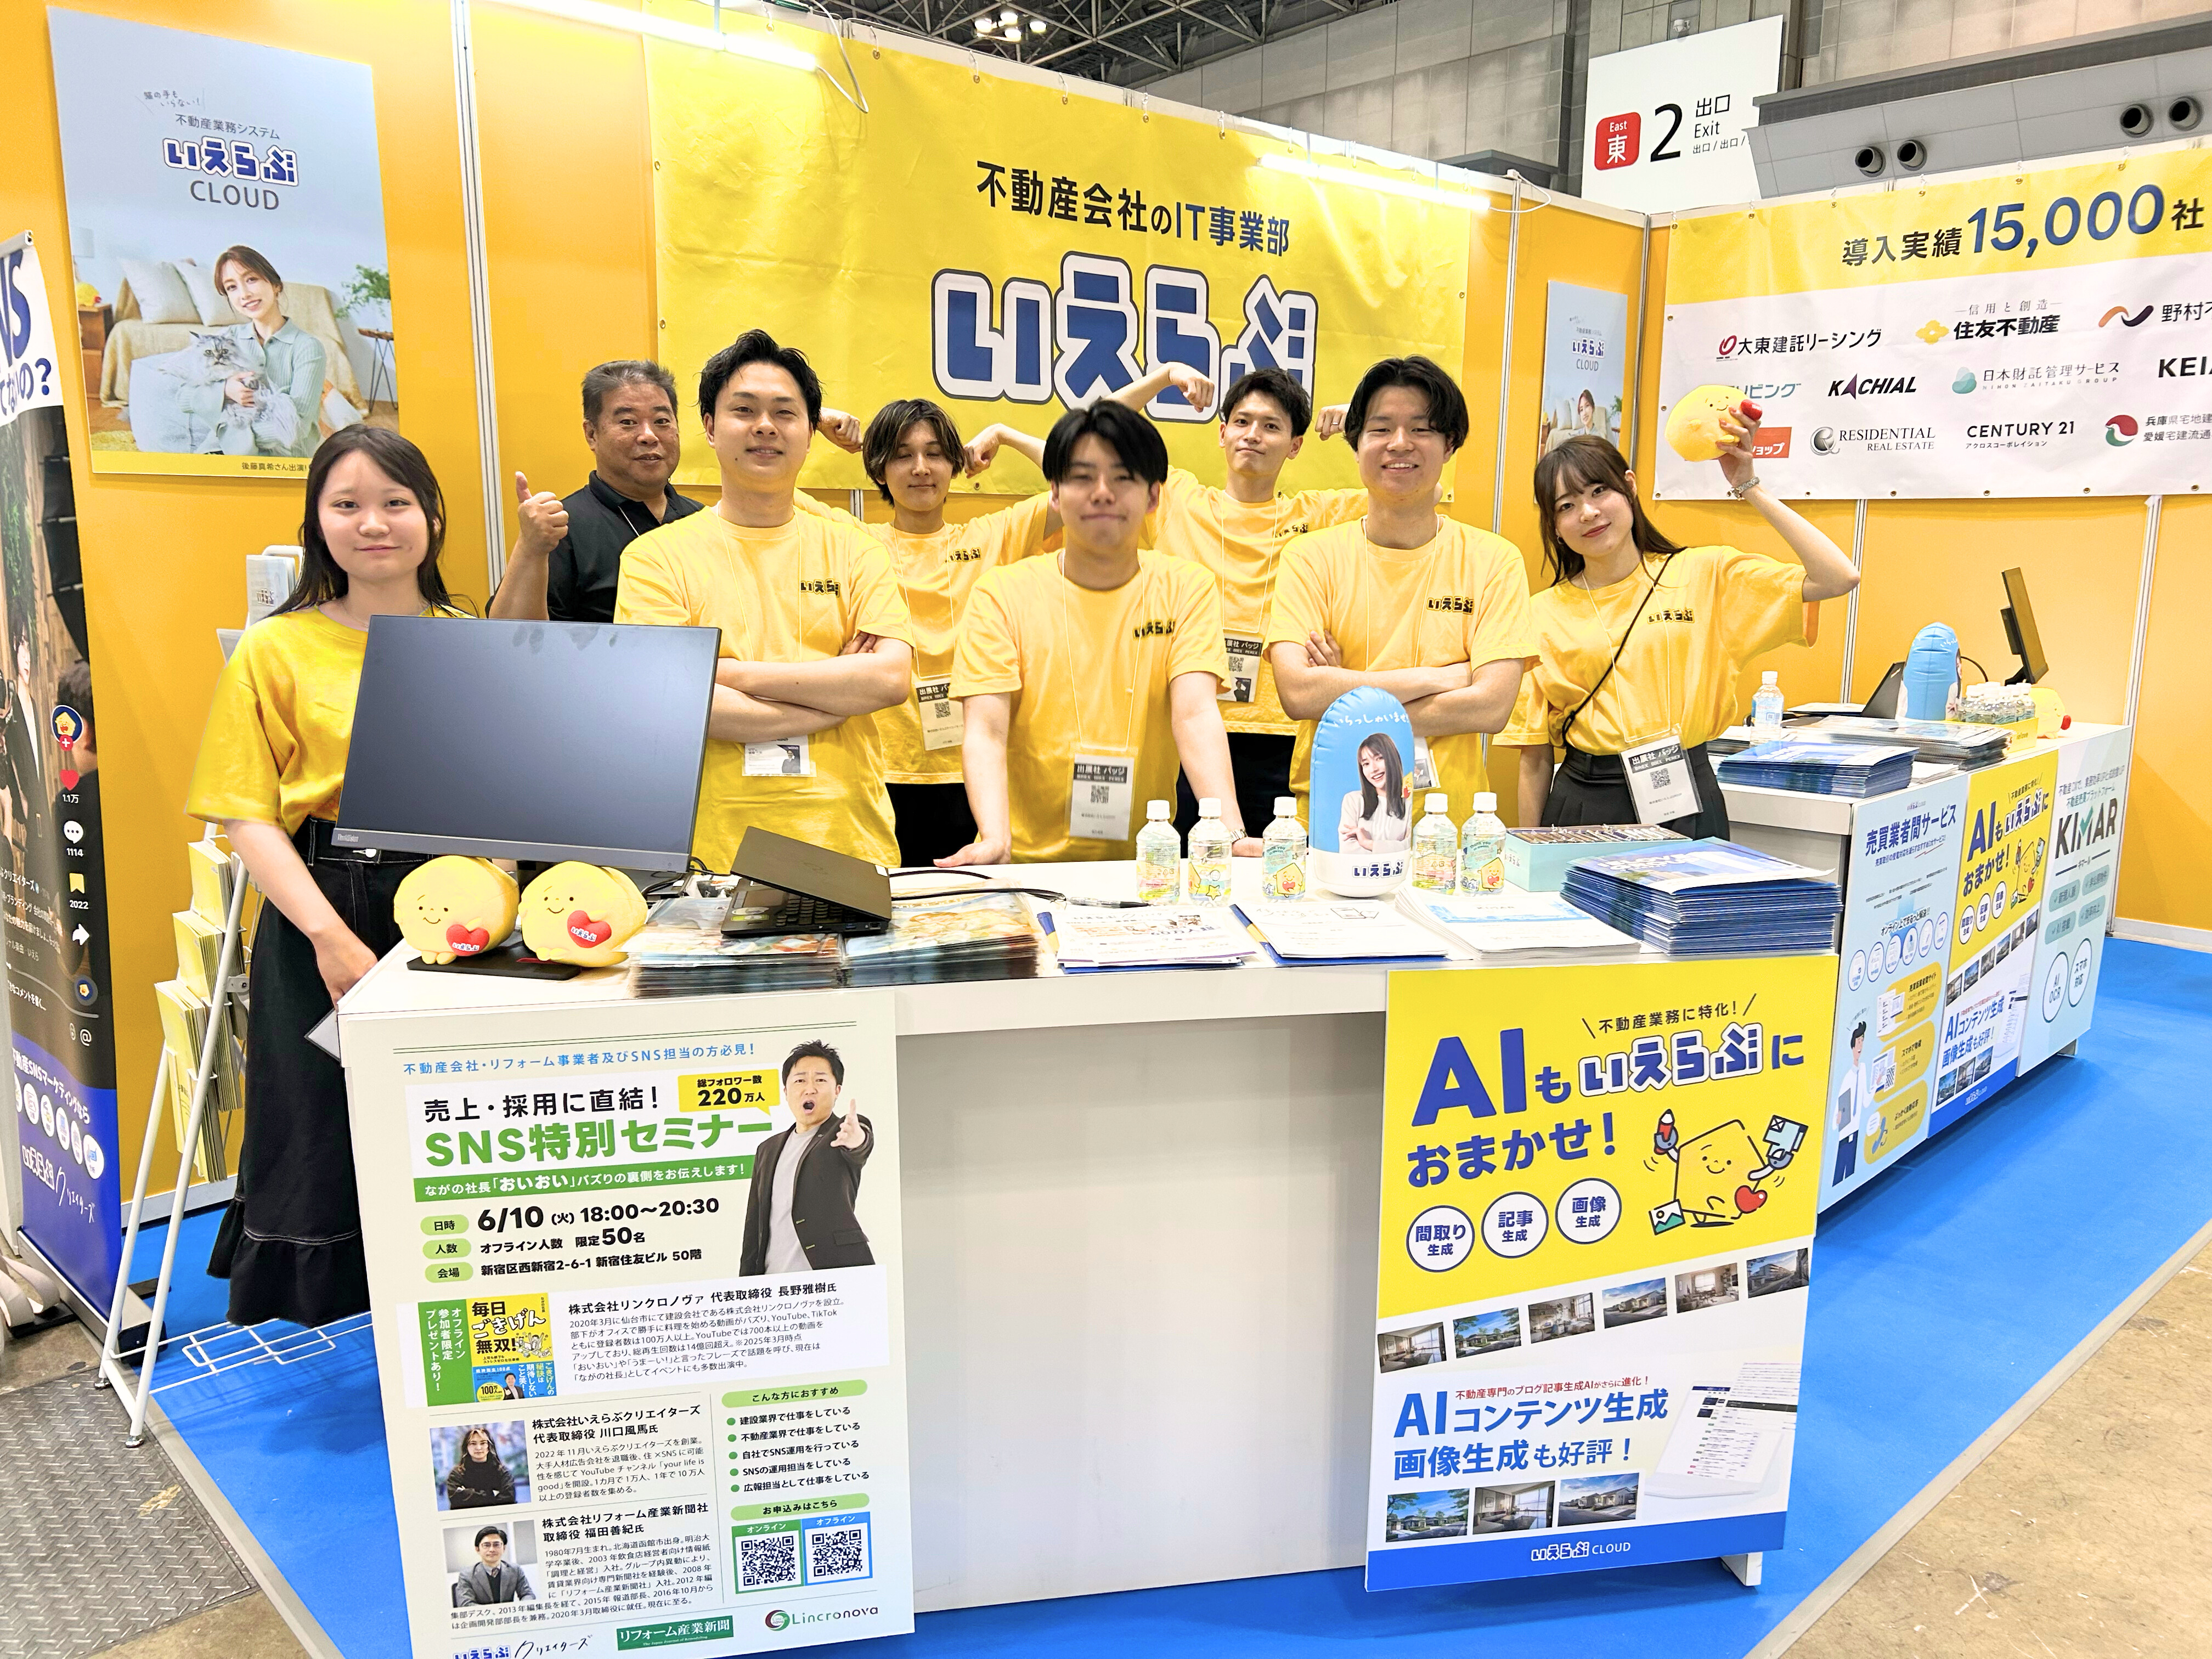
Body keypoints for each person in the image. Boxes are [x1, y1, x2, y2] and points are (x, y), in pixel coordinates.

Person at [185, 427, 464, 1327]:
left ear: (431, 516)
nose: (372, 524)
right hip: (326, 901)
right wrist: (330, 938)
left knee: (454, 1115)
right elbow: (246, 815)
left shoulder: (469, 642)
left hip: (457, 909)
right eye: (347, 505)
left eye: (394, 503)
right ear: (317, 521)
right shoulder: (275, 648)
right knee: (321, 1115)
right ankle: (349, 1313)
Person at [971, 366, 1361, 839]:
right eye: (1242, 422)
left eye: (1271, 426)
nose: (1253, 435)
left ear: (1295, 445)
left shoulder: (1317, 514)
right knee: (1185, 861)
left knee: (1270, 859)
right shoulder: (1179, 498)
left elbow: (1414, 491)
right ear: (1222, 433)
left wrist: (1362, 424)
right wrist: (1164, 376)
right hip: (1183, 725)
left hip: (1278, 731)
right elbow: (1093, 439)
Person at [614, 330, 915, 871]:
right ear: (710, 427)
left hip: (849, 844)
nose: (765, 426)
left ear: (809, 433)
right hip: (710, 854)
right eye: (744, 410)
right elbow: (674, 701)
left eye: (785, 412)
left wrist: (727, 674)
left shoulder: (857, 550)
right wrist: (834, 700)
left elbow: (889, 680)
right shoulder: (654, 558)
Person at [1503, 411, 1861, 837]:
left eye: (1600, 491)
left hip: (1688, 788)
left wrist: (1748, 485)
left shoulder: (1704, 574)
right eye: (1567, 506)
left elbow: (1839, 577)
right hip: (1588, 798)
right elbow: (1534, 755)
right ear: (1555, 527)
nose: (1589, 512)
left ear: (1630, 487)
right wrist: (1528, 849)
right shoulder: (1539, 613)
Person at [943, 401, 1256, 866]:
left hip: (1147, 863)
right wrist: (994, 838)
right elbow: (986, 730)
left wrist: (1229, 833)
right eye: (1083, 477)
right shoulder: (1000, 593)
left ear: (1153, 497)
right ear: (1054, 493)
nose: (1103, 493)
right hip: (1026, 863)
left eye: (1123, 478)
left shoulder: (1187, 587)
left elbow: (1194, 714)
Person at [1265, 356, 1537, 827]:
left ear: (1450, 445)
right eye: (1381, 428)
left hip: (1446, 827)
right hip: (1335, 820)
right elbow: (1299, 694)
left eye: (1421, 429)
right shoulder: (1309, 557)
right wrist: (1440, 678)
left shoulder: (1495, 560)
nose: (1399, 443)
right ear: (1356, 444)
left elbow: (1492, 706)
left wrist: (1344, 699)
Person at [489, 359, 865, 625]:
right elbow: (510, 640)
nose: (648, 435)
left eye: (662, 421)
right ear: (592, 434)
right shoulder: (564, 527)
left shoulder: (702, 518)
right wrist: (531, 548)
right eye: (628, 422)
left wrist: (806, 418)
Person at [850, 398, 1053, 866]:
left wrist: (1004, 434)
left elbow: (1081, 482)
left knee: (974, 904)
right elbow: (770, 490)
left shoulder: (992, 537)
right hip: (883, 769)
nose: (921, 468)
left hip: (978, 772)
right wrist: (818, 420)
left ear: (956, 464)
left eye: (936, 454)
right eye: (903, 455)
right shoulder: (856, 541)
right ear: (879, 469)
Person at [741, 1041, 873, 1276]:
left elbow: (860, 1144)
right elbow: (754, 1226)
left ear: (837, 1090)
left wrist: (856, 1138)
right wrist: (746, 1282)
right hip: (774, 1282)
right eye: (800, 1080)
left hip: (835, 1277)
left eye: (820, 1080)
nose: (810, 1089)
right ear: (786, 1092)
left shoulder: (842, 1131)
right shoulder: (767, 1149)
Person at [180, 245, 326, 459]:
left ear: (276, 285)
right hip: (218, 456)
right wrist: (225, 390)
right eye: (232, 287)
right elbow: (184, 398)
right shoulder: (226, 339)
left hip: (280, 463)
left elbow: (296, 427)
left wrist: (230, 434)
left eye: (251, 280)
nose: (244, 294)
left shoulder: (307, 347)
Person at [1339, 732, 1411, 854]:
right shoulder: (1353, 801)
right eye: (1366, 764)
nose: (1373, 769)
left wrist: (1368, 843)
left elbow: (1410, 849)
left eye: (1379, 758)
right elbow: (1348, 851)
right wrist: (1394, 848)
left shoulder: (1409, 803)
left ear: (1392, 759)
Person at [456, 1525, 535, 1604]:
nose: (492, 1550)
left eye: (496, 1545)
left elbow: (528, 1594)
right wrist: (492, 1612)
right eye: (486, 1545)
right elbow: (466, 1604)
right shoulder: (467, 1575)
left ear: (504, 1548)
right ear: (477, 1549)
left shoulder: (515, 1570)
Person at [445, 1426, 516, 1509]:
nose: (478, 1448)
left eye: (483, 1443)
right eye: (473, 1444)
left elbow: (509, 1499)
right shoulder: (457, 1474)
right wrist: (492, 1495)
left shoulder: (503, 1472)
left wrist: (468, 1494)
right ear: (466, 1447)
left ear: (489, 1446)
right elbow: (456, 1500)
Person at [1835, 1021, 1870, 1183]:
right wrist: (1838, 1119)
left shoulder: (1863, 1071)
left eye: (1862, 1041)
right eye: (1858, 1041)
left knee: (1850, 1171)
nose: (1860, 1045)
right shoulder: (1847, 1077)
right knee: (1839, 1172)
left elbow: (1866, 1101)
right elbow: (1839, 1109)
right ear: (1852, 1045)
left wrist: (1877, 1084)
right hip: (1844, 1132)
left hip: (1855, 1129)